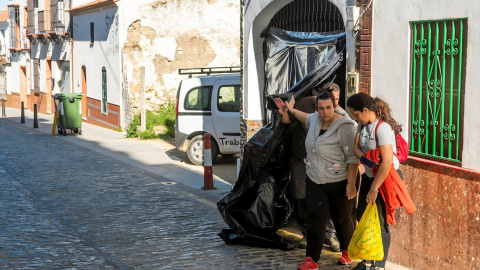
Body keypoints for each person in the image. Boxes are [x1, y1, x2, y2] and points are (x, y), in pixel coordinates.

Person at [275, 90, 359, 270]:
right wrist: (288, 108)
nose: (325, 112)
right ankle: (311, 259)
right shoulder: (314, 120)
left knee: (342, 218)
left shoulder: (346, 126)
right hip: (315, 179)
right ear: (316, 108)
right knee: (316, 219)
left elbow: (353, 158)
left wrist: (351, 184)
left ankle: (348, 253)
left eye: (328, 107)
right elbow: (300, 116)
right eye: (321, 108)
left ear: (335, 106)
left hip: (339, 181)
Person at [346, 93, 403, 270]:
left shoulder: (383, 129)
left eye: (355, 114)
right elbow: (355, 149)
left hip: (384, 180)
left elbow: (386, 162)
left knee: (380, 222)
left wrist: (374, 189)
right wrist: (368, 159)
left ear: (365, 110)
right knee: (362, 216)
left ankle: (379, 266)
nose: (354, 118)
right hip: (371, 177)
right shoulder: (361, 125)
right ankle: (366, 260)